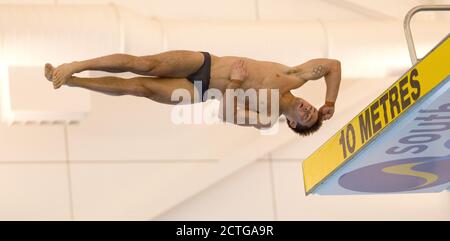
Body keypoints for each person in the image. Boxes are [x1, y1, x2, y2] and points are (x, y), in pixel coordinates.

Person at [45, 50, 341, 135]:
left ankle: (75, 82)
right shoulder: (294, 78)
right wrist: (330, 101)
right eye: (311, 109)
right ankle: (77, 65)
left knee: (140, 88)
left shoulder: (265, 118)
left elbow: (224, 113)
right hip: (205, 63)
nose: (307, 110)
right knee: (144, 64)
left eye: (305, 118)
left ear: (292, 123)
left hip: (200, 89)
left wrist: (236, 83)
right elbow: (332, 65)